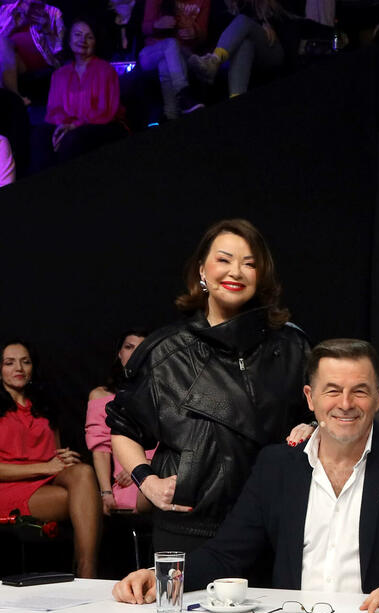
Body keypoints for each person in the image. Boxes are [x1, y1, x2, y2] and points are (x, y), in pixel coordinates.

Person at [112, 339, 379, 613]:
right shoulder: (277, 465)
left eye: (359, 390)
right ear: (310, 398)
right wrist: (162, 576)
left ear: (378, 397)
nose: (345, 403)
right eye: (332, 390)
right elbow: (227, 554)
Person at [107, 218, 311, 553]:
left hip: (275, 526)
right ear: (202, 270)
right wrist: (148, 482)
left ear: (262, 275)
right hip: (191, 526)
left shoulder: (292, 346)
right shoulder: (165, 351)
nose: (236, 272)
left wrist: (312, 427)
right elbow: (123, 427)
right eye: (224, 259)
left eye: (249, 263)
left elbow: (320, 416)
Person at [0, 340, 103, 576]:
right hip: (7, 488)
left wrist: (61, 458)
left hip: (44, 482)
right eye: (9, 363)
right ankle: (87, 574)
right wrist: (45, 467)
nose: (19, 368)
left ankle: (87, 569)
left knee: (83, 472)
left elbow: (52, 455)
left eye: (25, 362)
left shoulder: (43, 407)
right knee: (87, 501)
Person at [84, 329, 153, 514]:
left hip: (160, 471)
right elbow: (101, 449)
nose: (135, 353)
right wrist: (106, 492)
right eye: (129, 347)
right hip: (126, 484)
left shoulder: (163, 393)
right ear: (119, 354)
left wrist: (145, 466)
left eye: (142, 348)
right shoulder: (101, 396)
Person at [39, 18, 126, 163]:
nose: (83, 40)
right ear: (69, 40)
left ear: (96, 42)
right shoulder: (59, 74)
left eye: (89, 37)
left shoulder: (105, 70)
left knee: (73, 138)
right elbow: (54, 110)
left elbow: (104, 111)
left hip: (101, 125)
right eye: (78, 35)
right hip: (69, 125)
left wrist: (74, 125)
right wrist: (63, 126)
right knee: (41, 135)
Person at [187, 0, 283, 98]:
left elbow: (283, 22)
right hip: (239, 56)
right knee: (245, 44)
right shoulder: (219, 5)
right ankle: (236, 98)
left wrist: (268, 24)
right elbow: (216, 35)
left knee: (242, 20)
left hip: (270, 50)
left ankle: (215, 60)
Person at [139, 0, 207, 119]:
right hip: (151, 53)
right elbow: (144, 28)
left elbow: (203, 35)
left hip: (176, 55)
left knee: (165, 64)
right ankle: (183, 92)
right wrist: (157, 24)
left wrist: (195, 32)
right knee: (171, 43)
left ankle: (171, 115)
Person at [0, 0, 64, 105]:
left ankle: (14, 99)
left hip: (39, 60)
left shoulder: (54, 13)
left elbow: (59, 52)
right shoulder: (7, 10)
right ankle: (15, 99)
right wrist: (12, 25)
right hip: (11, 59)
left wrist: (47, 30)